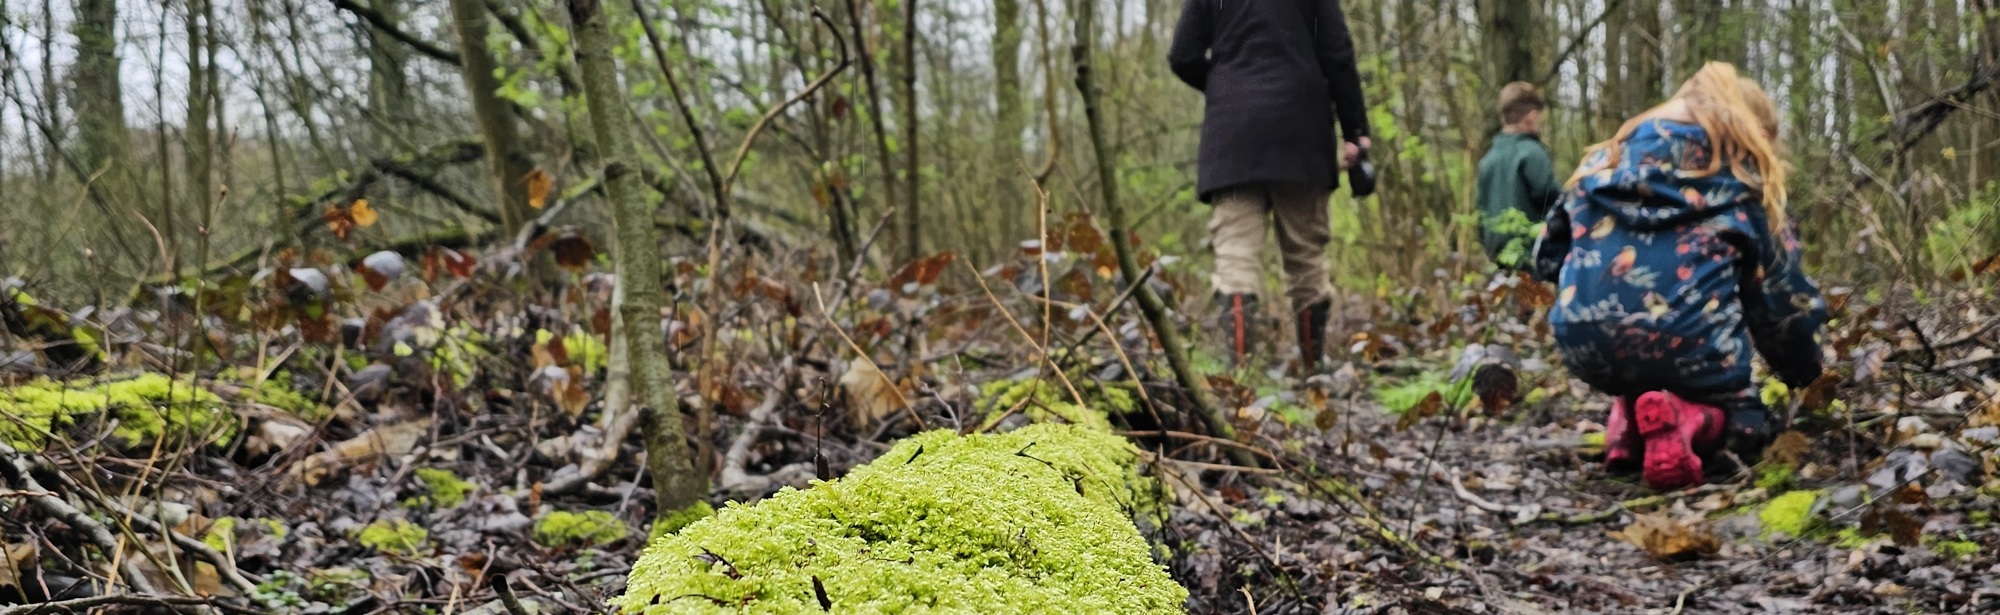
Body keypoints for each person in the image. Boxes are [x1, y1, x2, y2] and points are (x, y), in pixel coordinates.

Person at [1530, 62, 1828, 490]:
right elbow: (1784, 303)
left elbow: (1546, 257)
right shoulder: (1740, 176)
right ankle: (1690, 420)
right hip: (1691, 350)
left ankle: (1630, 416)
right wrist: (1805, 376)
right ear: (1752, 130)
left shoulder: (1602, 160)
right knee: (1750, 421)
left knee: (1642, 349)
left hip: (1585, 348)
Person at [1168, 0, 1372, 373]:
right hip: (1302, 130)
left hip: (1232, 136)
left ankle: (1242, 382)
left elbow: (1183, 56)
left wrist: (1226, 84)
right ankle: (1313, 374)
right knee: (1306, 258)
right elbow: (1338, 55)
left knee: (1235, 257)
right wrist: (1355, 131)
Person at [1477, 82, 1562, 269]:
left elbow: (1481, 220)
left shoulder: (1487, 160)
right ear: (1531, 118)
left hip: (1497, 263)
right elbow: (1553, 199)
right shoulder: (1532, 153)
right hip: (1532, 262)